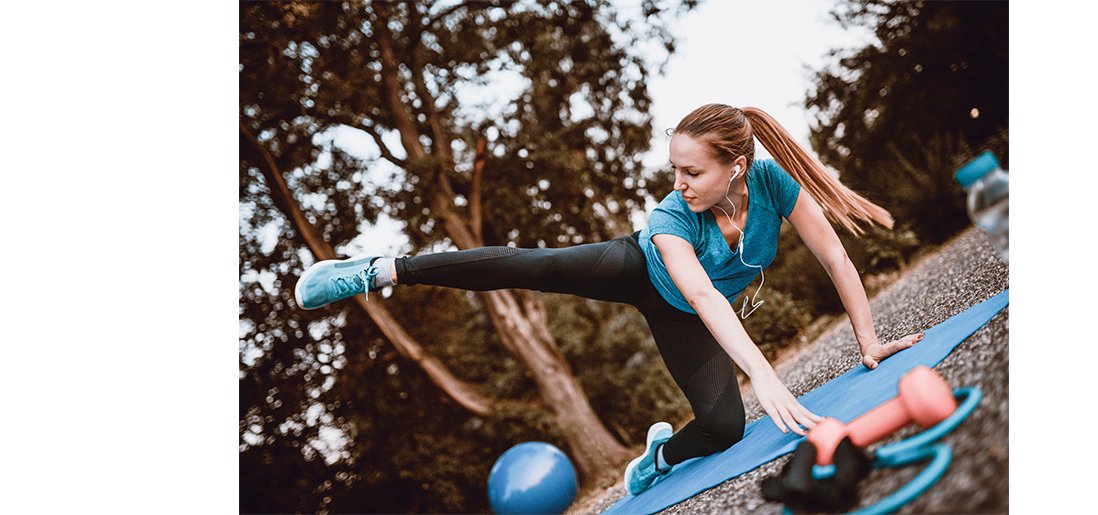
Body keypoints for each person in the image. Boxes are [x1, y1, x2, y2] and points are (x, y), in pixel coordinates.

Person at [293, 103, 924, 495]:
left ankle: (658, 457)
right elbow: (702, 294)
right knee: (529, 265)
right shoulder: (673, 216)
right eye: (674, 169)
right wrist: (764, 373)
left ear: (735, 167)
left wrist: (868, 343)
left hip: (684, 315)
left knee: (726, 428)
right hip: (638, 270)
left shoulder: (772, 184)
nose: (679, 183)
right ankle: (382, 270)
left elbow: (836, 257)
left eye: (693, 172)